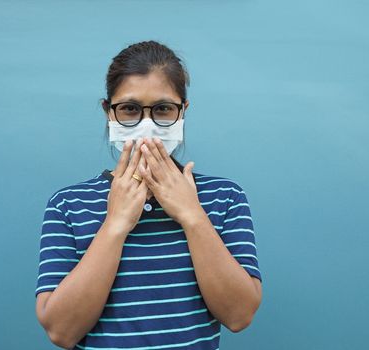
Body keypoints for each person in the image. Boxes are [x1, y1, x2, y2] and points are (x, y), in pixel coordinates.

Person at [35, 40, 262, 349]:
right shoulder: (67, 205)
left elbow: (239, 315)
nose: (146, 125)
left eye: (163, 109)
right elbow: (61, 332)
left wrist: (192, 216)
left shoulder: (225, 197)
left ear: (183, 111)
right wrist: (115, 224)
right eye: (129, 109)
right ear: (108, 112)